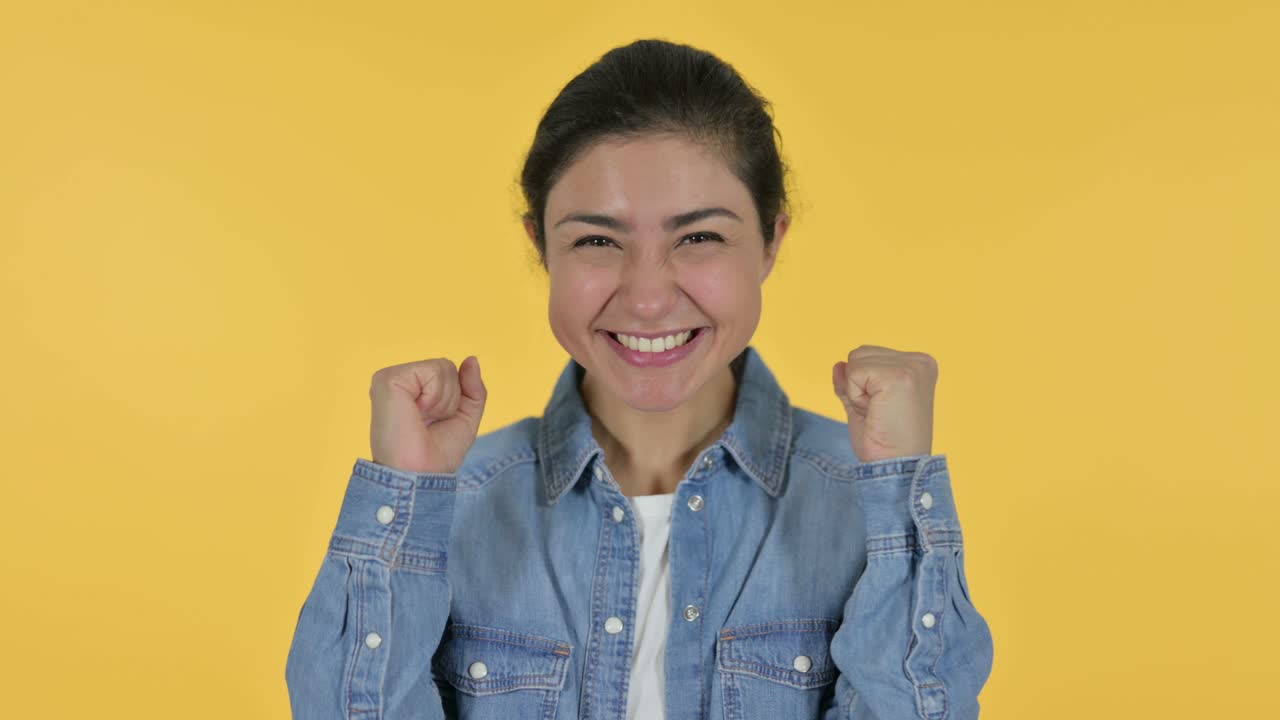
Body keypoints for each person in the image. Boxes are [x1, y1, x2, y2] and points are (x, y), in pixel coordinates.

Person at [285, 38, 993, 719]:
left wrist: (900, 493)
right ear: (541, 247)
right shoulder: (450, 507)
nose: (648, 297)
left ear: (772, 242)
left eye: (699, 238)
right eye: (597, 240)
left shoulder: (868, 506)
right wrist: (406, 500)